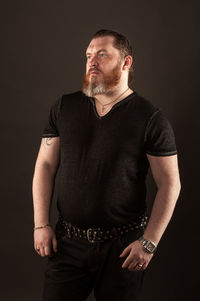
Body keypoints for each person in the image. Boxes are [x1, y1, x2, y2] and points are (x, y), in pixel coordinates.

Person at [32, 29, 181, 301]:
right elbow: (44, 165)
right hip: (68, 243)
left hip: (123, 248)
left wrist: (149, 243)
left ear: (126, 63)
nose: (91, 61)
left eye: (102, 54)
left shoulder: (150, 118)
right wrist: (40, 224)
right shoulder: (65, 107)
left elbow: (170, 183)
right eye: (88, 55)